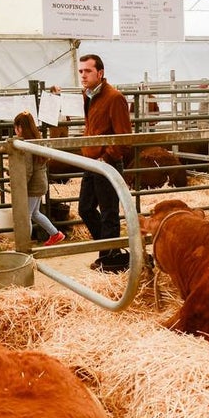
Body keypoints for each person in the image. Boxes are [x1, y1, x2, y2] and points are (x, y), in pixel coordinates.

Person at [76, 53, 132, 270]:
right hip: (92, 162)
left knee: (109, 213)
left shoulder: (114, 97)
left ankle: (107, 260)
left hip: (105, 163)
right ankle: (112, 252)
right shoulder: (88, 95)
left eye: (88, 71)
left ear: (100, 73)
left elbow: (124, 137)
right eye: (81, 71)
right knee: (85, 209)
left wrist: (105, 156)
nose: (83, 75)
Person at [12, 111, 64, 246]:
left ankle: (24, 245)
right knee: (35, 213)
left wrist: (20, 187)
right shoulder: (37, 140)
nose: (15, 130)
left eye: (16, 127)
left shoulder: (27, 145)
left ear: (21, 128)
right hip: (40, 183)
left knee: (26, 216)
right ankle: (55, 234)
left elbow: (28, 170)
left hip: (33, 185)